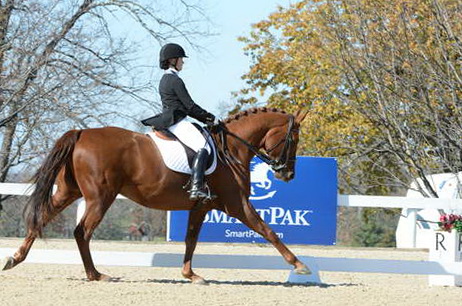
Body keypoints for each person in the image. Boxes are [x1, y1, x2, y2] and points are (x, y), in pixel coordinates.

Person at [141, 43, 218, 201]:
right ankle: (197, 186)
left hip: (171, 119)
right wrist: (210, 118)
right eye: (181, 59)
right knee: (203, 148)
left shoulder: (165, 79)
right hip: (176, 121)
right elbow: (189, 106)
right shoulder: (175, 80)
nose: (183, 62)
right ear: (173, 60)